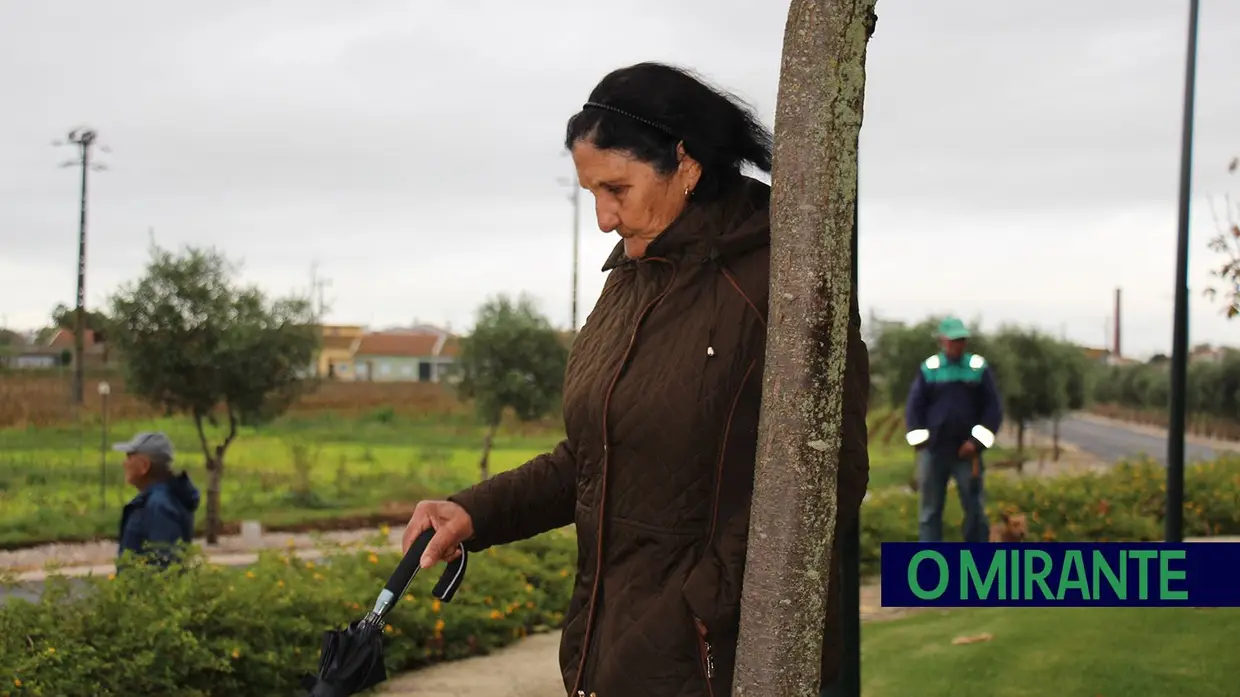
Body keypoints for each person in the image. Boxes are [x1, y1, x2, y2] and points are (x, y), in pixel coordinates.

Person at [402, 62, 870, 697]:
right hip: (610, 650)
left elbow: (828, 469)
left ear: (686, 163)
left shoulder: (783, 278)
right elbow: (594, 456)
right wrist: (473, 513)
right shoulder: (630, 278)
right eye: (591, 192)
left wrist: (705, 608)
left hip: (718, 661)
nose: (602, 218)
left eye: (616, 189)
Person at [904, 316, 1003, 543]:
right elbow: (914, 408)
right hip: (934, 451)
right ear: (942, 340)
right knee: (929, 511)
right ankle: (929, 562)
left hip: (967, 453)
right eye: (954, 340)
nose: (959, 345)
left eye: (962, 340)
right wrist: (920, 441)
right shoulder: (929, 369)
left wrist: (975, 443)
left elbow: (993, 409)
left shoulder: (978, 368)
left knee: (974, 509)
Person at [114, 431, 200, 569]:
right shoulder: (155, 500)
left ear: (144, 466)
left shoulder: (160, 506)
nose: (124, 463)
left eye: (129, 457)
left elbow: (164, 565)